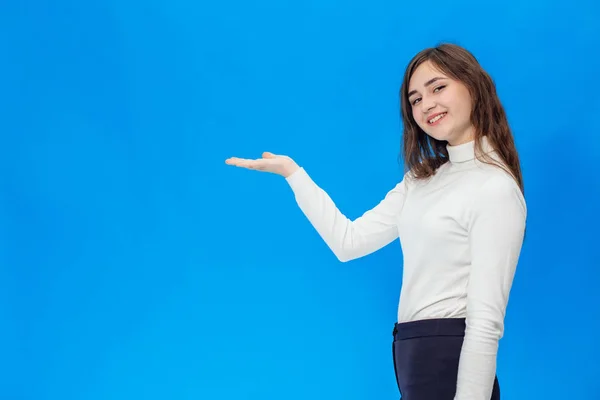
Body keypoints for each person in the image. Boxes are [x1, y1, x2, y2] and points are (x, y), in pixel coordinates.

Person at [225, 43, 526, 400]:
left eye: (437, 87)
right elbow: (348, 243)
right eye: (415, 99)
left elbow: (485, 323)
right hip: (412, 358)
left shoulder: (494, 188)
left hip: (452, 363)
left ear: (473, 86)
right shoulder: (421, 180)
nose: (426, 104)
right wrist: (293, 174)